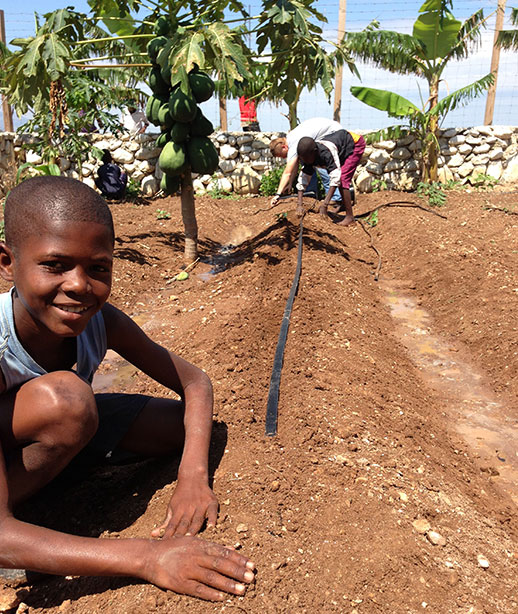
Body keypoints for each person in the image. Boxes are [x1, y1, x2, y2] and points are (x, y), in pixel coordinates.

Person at [0, 176, 255, 600]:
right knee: (68, 402)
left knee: (176, 427)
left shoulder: (101, 320)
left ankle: (55, 479)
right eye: (55, 264)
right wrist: (148, 557)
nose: (80, 284)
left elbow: (194, 382)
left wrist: (192, 476)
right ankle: (24, 517)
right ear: (7, 262)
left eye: (98, 268)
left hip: (34, 434)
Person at [296, 129, 366, 227]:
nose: (305, 161)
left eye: (307, 158)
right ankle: (343, 205)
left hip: (354, 144)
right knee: (341, 178)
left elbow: (335, 178)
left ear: (315, 152)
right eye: (303, 159)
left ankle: (350, 217)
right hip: (341, 147)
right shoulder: (308, 157)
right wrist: (299, 204)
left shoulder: (327, 152)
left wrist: (325, 204)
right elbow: (303, 179)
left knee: (343, 178)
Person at [269, 117, 344, 207]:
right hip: (329, 130)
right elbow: (294, 166)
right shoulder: (291, 139)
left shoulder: (293, 144)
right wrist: (290, 183)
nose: (285, 157)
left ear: (284, 147)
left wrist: (278, 194)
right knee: (307, 161)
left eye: (283, 155)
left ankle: (335, 198)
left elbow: (287, 173)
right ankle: (310, 194)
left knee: (321, 164)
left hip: (334, 132)